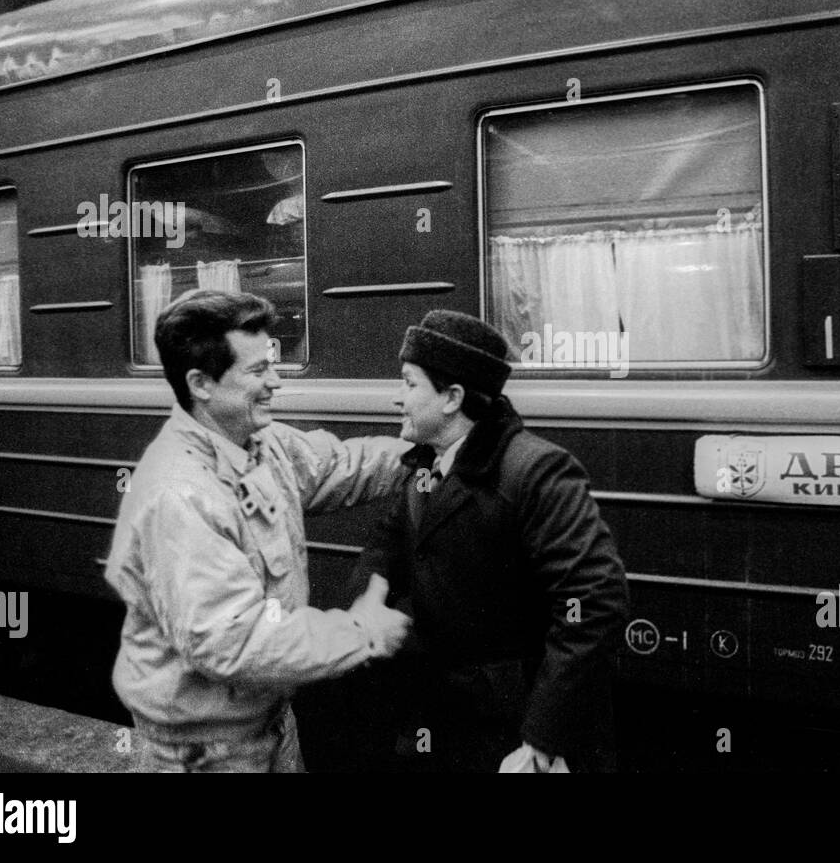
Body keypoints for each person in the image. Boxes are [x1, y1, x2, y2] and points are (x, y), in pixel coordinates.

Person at [104, 289, 412, 772]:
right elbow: (234, 641)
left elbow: (340, 465)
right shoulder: (179, 494)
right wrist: (362, 633)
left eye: (273, 364)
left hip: (265, 726)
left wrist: (421, 456)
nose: (275, 383)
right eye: (258, 371)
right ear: (201, 383)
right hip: (205, 754)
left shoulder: (258, 443)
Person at [349, 310, 629, 772]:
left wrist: (541, 741)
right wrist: (371, 600)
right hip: (447, 707)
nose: (396, 399)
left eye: (408, 383)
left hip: (517, 721)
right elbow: (389, 542)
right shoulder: (428, 465)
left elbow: (593, 601)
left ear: (452, 398)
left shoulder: (536, 471)